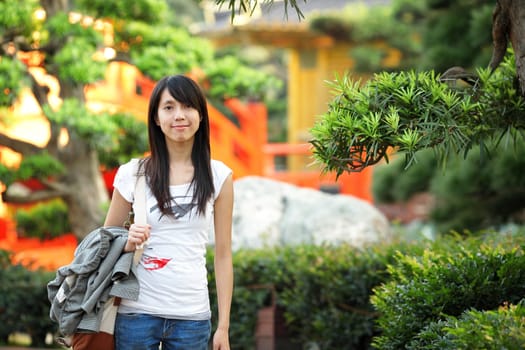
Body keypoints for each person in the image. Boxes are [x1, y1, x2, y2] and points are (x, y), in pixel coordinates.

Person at [104, 74, 234, 350]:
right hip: (136, 313)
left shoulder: (218, 176)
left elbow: (223, 254)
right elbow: (104, 241)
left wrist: (223, 327)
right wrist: (127, 240)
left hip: (192, 318)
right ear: (155, 117)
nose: (180, 116)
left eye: (188, 107)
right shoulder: (132, 174)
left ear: (201, 115)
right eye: (169, 107)